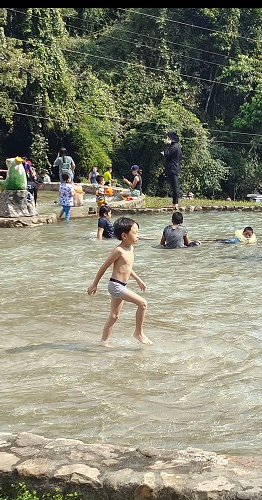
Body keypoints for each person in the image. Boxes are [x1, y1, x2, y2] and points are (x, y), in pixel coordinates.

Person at [87, 216, 151, 346]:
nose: (138, 235)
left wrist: (139, 280)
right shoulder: (119, 250)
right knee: (142, 304)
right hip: (116, 286)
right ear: (124, 235)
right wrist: (94, 284)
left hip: (121, 285)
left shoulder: (131, 248)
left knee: (114, 316)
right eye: (135, 232)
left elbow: (128, 268)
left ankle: (103, 341)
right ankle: (138, 333)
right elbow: (104, 267)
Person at [161, 130, 181, 209]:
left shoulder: (174, 146)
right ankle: (174, 203)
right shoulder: (177, 146)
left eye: (168, 137)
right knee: (174, 186)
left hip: (172, 168)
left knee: (175, 186)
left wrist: (167, 145)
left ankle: (175, 203)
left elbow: (167, 154)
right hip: (174, 167)